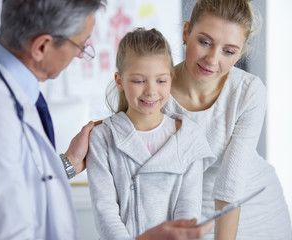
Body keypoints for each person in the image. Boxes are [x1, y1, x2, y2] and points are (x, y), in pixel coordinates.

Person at [0, 0, 214, 239]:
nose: (81, 53)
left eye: (160, 80)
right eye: (80, 43)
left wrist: (68, 164)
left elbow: (21, 188)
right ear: (42, 46)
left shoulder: (17, 95)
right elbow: (7, 223)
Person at [162, 0, 292, 239]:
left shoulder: (248, 91)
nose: (212, 59)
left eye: (228, 51)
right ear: (185, 32)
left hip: (256, 207)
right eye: (204, 42)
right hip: (186, 212)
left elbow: (230, 184)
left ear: (239, 53)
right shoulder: (156, 91)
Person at [86, 28, 216, 240]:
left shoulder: (188, 138)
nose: (151, 91)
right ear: (119, 81)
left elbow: (188, 212)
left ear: (171, 79)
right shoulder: (102, 138)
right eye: (139, 81)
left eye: (161, 81)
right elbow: (106, 214)